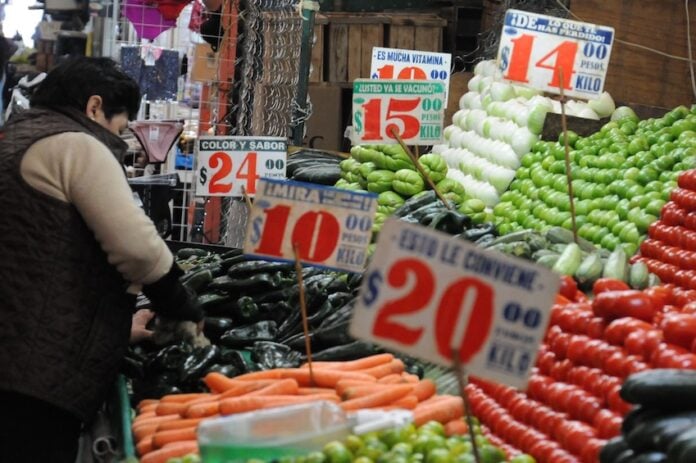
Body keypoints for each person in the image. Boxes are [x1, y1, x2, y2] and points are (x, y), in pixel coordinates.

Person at [0, 56, 203, 462]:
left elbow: (46, 258)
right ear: (95, 108)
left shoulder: (18, 134)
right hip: (31, 378)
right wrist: (181, 306)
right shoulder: (74, 142)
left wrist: (114, 329)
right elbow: (138, 248)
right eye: (121, 126)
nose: (121, 137)